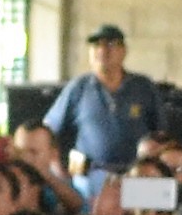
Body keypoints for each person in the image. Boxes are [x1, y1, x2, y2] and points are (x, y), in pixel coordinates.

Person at [44, 25, 154, 177]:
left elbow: (160, 134)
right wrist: (57, 169)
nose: (102, 51)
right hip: (89, 177)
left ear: (123, 51)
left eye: (110, 45)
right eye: (96, 46)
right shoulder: (78, 88)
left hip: (134, 174)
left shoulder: (143, 86)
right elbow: (48, 130)